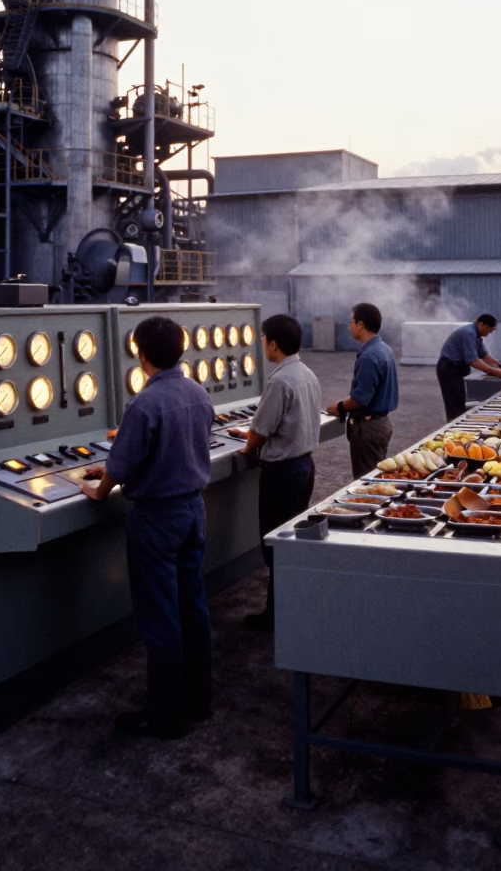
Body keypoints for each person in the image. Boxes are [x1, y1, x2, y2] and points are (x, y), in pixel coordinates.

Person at [80, 314, 214, 739]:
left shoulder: (143, 404)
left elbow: (118, 468)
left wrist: (98, 492)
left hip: (156, 518)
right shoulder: (197, 391)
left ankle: (165, 715)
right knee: (193, 608)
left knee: (160, 620)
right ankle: (199, 700)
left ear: (140, 354)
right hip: (193, 510)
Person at [227, 314, 322, 632]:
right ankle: (292, 603)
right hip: (304, 466)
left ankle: (277, 615)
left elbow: (262, 430)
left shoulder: (279, 380)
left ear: (273, 344)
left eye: (264, 339)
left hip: (281, 472)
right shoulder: (306, 373)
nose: (262, 345)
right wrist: (250, 433)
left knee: (277, 543)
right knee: (292, 539)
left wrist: (246, 445)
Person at [326, 303, 399, 478]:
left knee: (367, 484)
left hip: (368, 429)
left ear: (361, 324)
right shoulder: (384, 349)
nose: (349, 326)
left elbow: (361, 398)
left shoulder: (369, 356)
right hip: (381, 424)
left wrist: (340, 406)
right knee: (377, 477)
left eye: (351, 322)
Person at [436, 313, 501, 421]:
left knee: (459, 401)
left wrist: (499, 365)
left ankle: (458, 426)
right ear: (482, 324)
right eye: (489, 330)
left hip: (457, 369)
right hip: (448, 368)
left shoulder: (477, 335)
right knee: (454, 404)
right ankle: (452, 431)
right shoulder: (468, 333)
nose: (489, 333)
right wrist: (497, 372)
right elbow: (473, 360)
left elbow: (484, 355)